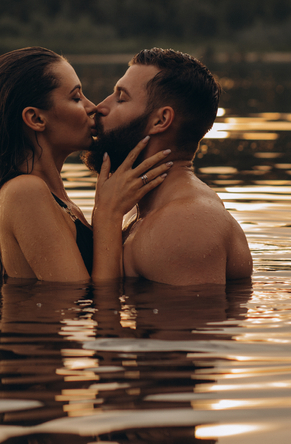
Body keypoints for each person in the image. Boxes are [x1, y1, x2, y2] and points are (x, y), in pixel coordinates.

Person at [0, 47, 173, 282]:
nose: (93, 107)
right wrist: (108, 216)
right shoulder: (25, 192)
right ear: (36, 119)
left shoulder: (57, 199)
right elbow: (80, 300)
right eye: (76, 98)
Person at [86, 48, 253, 286]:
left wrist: (106, 216)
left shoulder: (184, 223)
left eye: (121, 98)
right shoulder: (141, 210)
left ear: (161, 120)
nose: (99, 107)